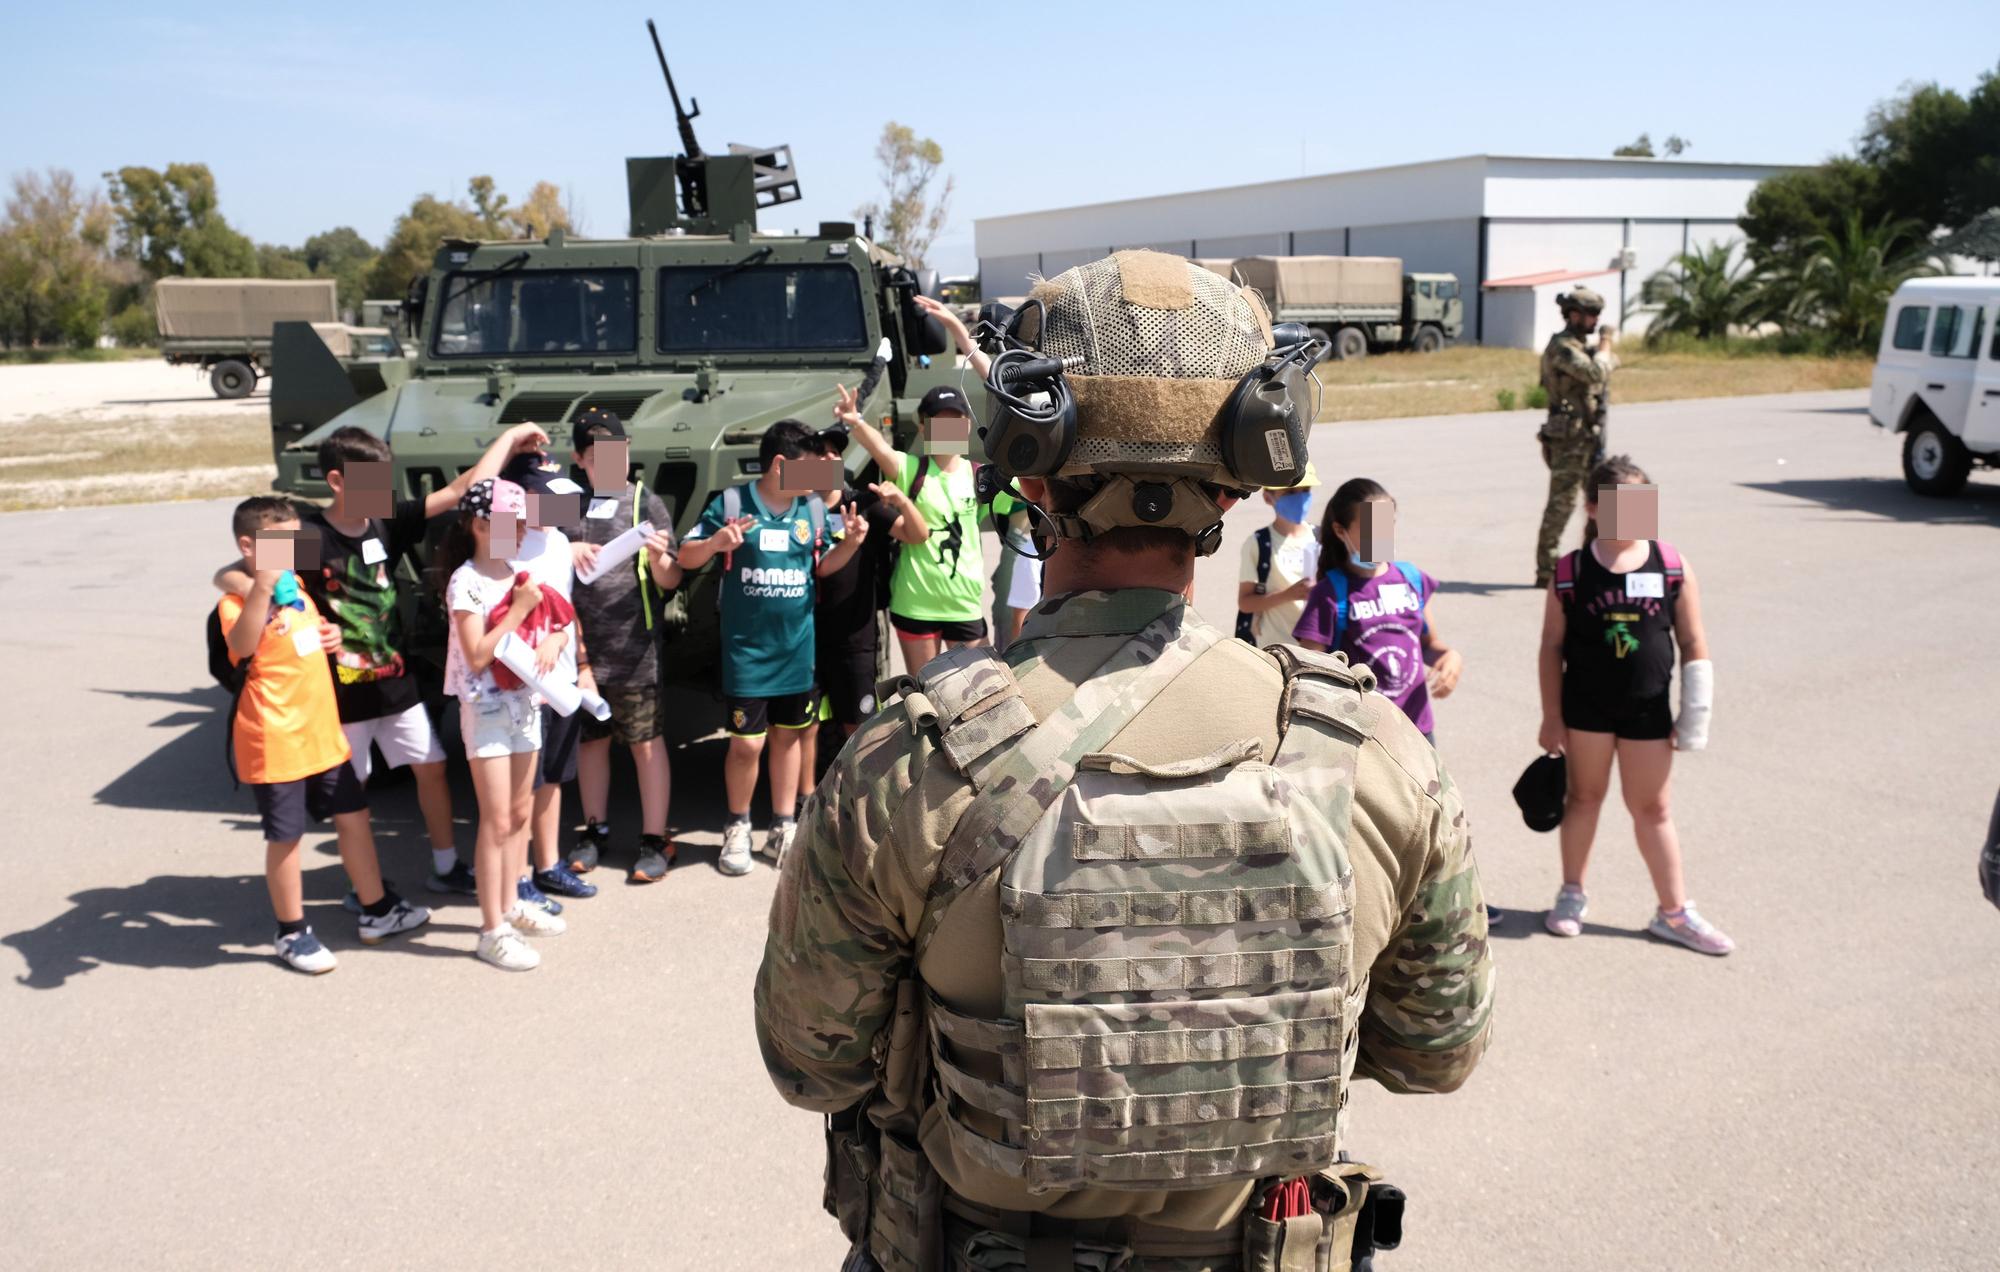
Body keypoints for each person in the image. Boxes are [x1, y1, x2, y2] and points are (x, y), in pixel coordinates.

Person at [757, 250, 1492, 1270]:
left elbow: (809, 1063)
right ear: (1237, 484)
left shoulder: (907, 769)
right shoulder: (1373, 758)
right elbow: (1435, 1050)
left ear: (1028, 469)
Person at [211, 421, 550, 897]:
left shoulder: (384, 519)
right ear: (336, 482)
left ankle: (446, 865)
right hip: (341, 693)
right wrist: (262, 597)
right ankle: (361, 886)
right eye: (373, 482)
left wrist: (510, 440)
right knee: (354, 797)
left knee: (431, 766)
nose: (383, 491)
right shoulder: (309, 536)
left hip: (396, 683)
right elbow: (229, 573)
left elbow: (461, 490)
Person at [220, 497, 431, 974]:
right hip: (276, 744)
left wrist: (329, 636)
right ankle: (291, 931)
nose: (295, 549)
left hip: (322, 736)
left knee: (355, 817)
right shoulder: (236, 601)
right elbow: (242, 645)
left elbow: (306, 635)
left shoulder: (299, 592)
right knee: (286, 838)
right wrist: (263, 587)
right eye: (283, 542)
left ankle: (376, 908)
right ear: (249, 546)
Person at [1537, 454, 1732, 955]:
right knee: (1583, 799)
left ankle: (1674, 913)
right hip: (1586, 712)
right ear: (1593, 508)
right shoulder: (1571, 570)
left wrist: (1696, 715)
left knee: (1654, 808)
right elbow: (1551, 647)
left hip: (1647, 712)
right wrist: (1552, 716)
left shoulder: (1670, 564)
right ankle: (1572, 892)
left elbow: (1694, 642)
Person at [677, 420, 866, 873]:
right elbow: (685, 557)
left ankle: (783, 825)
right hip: (747, 655)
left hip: (796, 653)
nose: (818, 474)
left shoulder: (813, 510)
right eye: (808, 466)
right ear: (781, 464)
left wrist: (853, 543)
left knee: (789, 739)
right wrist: (717, 543)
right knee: (746, 746)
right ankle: (738, 826)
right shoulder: (731, 503)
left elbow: (820, 568)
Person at [440, 478, 568, 971]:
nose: (522, 533)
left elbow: (551, 624)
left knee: (518, 814)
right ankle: (491, 929)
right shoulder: (466, 581)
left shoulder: (519, 572)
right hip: (486, 710)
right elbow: (475, 655)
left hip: (524, 706)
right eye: (513, 524)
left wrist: (553, 641)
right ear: (480, 526)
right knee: (495, 821)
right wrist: (518, 609)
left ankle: (513, 903)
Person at [561, 407, 683, 884]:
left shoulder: (645, 503)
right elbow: (528, 549)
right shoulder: (565, 505)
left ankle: (656, 839)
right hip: (581, 655)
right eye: (597, 456)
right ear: (580, 459)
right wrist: (563, 548)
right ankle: (593, 830)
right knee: (591, 746)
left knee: (646, 746)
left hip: (636, 654)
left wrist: (659, 559)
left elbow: (670, 579)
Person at [503, 451, 601, 912]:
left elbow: (566, 611)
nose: (560, 509)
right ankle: (517, 876)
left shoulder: (560, 542)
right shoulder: (504, 541)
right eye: (548, 498)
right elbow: (494, 613)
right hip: (518, 686)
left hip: (559, 684)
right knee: (520, 788)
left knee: (553, 779)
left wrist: (580, 665)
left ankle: (547, 865)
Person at [1293, 477, 1461, 743]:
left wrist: (1450, 657)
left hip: (1418, 729)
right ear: (1340, 530)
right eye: (1371, 528)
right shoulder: (1330, 593)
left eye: (1388, 525)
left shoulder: (1411, 579)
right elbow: (1309, 674)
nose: (1382, 537)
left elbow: (1428, 644)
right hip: (1365, 736)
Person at [797, 427, 920, 791]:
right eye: (821, 453)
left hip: (856, 636)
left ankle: (864, 796)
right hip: (806, 637)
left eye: (835, 453)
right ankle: (806, 802)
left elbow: (917, 534)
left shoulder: (864, 503)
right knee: (805, 728)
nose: (830, 459)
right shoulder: (795, 511)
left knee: (860, 726)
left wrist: (902, 502)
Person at [836, 382, 989, 671]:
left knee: (982, 694)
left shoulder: (979, 476)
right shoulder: (911, 470)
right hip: (916, 603)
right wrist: (855, 420)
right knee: (926, 695)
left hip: (965, 604)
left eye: (954, 420)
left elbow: (1031, 493)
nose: (947, 428)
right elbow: (878, 447)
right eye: (938, 422)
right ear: (923, 428)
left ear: (967, 425)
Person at [1535, 287, 1613, 587]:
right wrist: (1607, 347)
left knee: (1610, 495)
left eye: (1598, 316)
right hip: (1570, 439)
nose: (1596, 321)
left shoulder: (1580, 346)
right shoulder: (1563, 347)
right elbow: (1595, 373)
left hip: (1589, 436)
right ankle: (1547, 571)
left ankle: (1615, 559)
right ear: (1574, 315)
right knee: (1562, 504)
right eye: (1592, 315)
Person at [1234, 465, 1321, 647]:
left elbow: (1371, 564)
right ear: (1268, 498)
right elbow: (1245, 603)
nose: (1300, 497)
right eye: (1290, 493)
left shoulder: (1321, 538)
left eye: (1305, 490)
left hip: (1319, 649)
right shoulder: (1258, 543)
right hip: (1276, 649)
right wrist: (1288, 595)